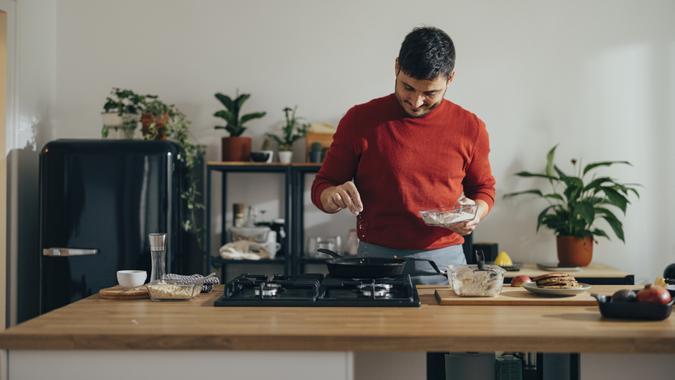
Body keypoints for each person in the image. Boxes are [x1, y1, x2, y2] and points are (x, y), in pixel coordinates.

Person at [311, 26, 496, 285]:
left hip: (444, 262)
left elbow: (484, 189)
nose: (416, 101)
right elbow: (323, 185)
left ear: (450, 78)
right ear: (396, 67)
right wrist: (332, 196)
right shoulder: (359, 120)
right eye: (408, 87)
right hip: (375, 260)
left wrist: (477, 212)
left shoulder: (471, 127)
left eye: (430, 93)